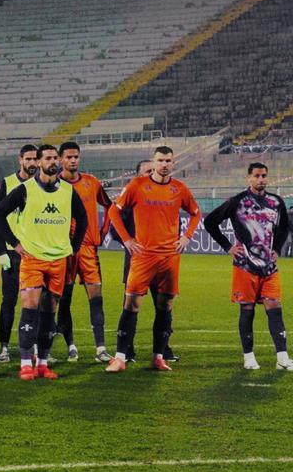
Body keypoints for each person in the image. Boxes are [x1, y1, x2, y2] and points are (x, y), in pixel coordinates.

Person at [0, 144, 87, 380]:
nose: (53, 161)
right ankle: (26, 363)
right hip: (32, 258)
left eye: (55, 158)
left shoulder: (68, 191)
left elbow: (83, 218)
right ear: (40, 162)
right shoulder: (25, 189)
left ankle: (43, 363)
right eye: (48, 158)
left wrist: (74, 247)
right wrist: (15, 243)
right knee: (30, 306)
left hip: (58, 260)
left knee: (49, 312)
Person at [105, 146, 201, 373]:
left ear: (173, 163)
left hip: (169, 257)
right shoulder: (137, 186)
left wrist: (186, 237)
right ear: (154, 162)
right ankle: (120, 358)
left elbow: (196, 213)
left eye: (168, 160)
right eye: (160, 160)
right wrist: (127, 239)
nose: (164, 164)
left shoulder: (180, 188)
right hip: (143, 256)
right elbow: (113, 211)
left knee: (165, 305)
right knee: (131, 304)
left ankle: (158, 357)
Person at [205, 162, 292, 370]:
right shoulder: (237, 202)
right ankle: (249, 357)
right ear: (249, 178)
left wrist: (277, 249)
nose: (261, 179)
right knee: (247, 309)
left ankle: (282, 358)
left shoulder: (276, 202)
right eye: (257, 176)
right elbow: (210, 222)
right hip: (245, 266)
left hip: (269, 267)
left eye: (264, 176)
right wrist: (228, 247)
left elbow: (284, 227)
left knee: (275, 307)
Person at [56, 141, 114, 362]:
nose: (73, 160)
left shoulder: (92, 182)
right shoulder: (55, 185)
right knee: (65, 299)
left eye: (76, 157)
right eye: (69, 157)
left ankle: (101, 348)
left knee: (96, 298)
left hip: (89, 249)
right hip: (66, 250)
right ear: (61, 159)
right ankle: (71, 346)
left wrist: (104, 229)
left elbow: (109, 205)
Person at [0, 144, 39, 361]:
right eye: (28, 159)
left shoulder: (42, 185)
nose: (32, 163)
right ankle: (4, 346)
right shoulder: (8, 183)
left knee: (35, 302)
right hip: (13, 253)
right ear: (20, 160)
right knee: (9, 300)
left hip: (35, 253)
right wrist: (1, 251)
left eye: (35, 159)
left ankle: (35, 346)